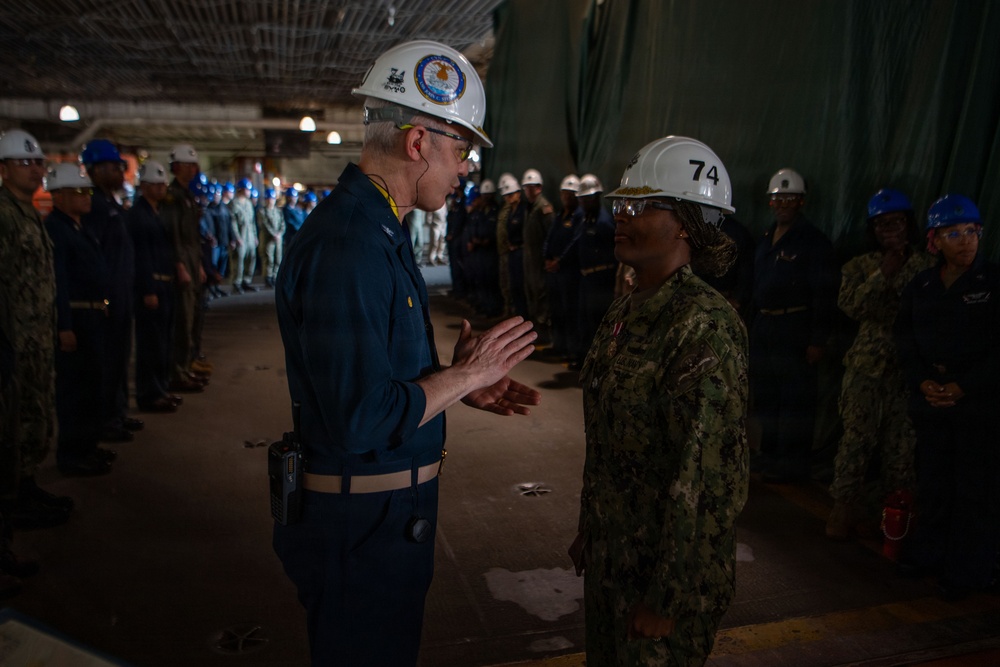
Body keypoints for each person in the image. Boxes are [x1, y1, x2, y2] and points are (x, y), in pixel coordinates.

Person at [273, 40, 541, 667]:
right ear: (418, 144)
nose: (465, 168)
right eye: (462, 149)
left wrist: (455, 382)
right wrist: (465, 373)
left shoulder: (379, 232)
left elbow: (376, 382)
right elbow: (359, 418)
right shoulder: (350, 247)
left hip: (382, 516)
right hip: (360, 525)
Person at [570, 136, 748, 666]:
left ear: (689, 223)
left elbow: (707, 476)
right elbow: (606, 440)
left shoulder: (703, 324)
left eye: (642, 206)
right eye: (622, 205)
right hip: (615, 560)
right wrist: (591, 528)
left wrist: (669, 596)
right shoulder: (627, 309)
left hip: (662, 580)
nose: (622, 216)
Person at [894, 194, 1000, 600]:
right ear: (935, 240)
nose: (965, 241)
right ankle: (927, 555)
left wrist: (964, 386)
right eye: (954, 234)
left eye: (971, 232)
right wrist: (923, 382)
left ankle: (967, 571)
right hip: (931, 400)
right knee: (934, 483)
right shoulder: (921, 285)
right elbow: (905, 340)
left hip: (978, 405)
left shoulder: (993, 283)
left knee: (974, 491)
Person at [826, 189, 934, 539]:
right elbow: (853, 307)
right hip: (866, 368)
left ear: (909, 226)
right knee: (856, 441)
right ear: (872, 229)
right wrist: (882, 274)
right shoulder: (858, 266)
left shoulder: (926, 267)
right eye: (882, 224)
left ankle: (897, 518)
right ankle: (843, 510)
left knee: (901, 447)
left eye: (897, 223)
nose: (891, 230)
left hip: (908, 371)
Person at [0, 130, 73, 528]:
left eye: (38, 163)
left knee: (36, 414)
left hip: (35, 338)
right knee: (14, 425)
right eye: (24, 163)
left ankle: (27, 487)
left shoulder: (27, 212)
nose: (34, 170)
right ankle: (13, 500)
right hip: (14, 339)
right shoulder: (4, 214)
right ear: (3, 170)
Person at [749, 168, 838, 483]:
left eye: (790, 198)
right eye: (777, 199)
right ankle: (769, 456)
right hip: (766, 326)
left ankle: (792, 463)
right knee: (768, 395)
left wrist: (817, 339)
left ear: (801, 202)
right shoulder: (765, 238)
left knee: (794, 400)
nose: (783, 204)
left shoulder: (814, 242)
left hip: (795, 327)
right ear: (771, 203)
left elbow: (824, 294)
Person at [45, 163, 116, 475]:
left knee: (91, 385)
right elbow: (57, 280)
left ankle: (88, 446)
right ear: (59, 195)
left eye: (88, 191)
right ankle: (72, 455)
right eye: (79, 192)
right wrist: (65, 326)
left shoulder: (79, 226)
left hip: (92, 315)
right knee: (74, 390)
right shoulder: (57, 229)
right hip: (75, 316)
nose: (87, 197)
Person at [80, 139, 141, 444]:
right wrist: (103, 297)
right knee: (107, 362)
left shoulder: (112, 203)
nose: (120, 172)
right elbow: (94, 258)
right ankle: (106, 419)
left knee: (120, 359)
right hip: (108, 299)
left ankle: (117, 412)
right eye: (114, 167)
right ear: (95, 170)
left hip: (122, 294)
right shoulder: (93, 206)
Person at [129, 161, 180, 414]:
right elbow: (141, 256)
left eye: (163, 185)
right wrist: (148, 289)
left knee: (163, 342)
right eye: (157, 185)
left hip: (165, 283)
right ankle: (149, 394)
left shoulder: (157, 212)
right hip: (152, 286)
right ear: (145, 186)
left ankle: (160, 388)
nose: (162, 189)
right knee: (151, 344)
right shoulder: (138, 215)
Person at [160, 144, 208, 393]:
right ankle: (178, 371)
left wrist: (197, 264)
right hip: (182, 263)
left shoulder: (186, 196)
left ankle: (187, 365)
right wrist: (180, 265)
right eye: (189, 165)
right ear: (177, 166)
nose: (193, 170)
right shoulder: (173, 197)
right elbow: (174, 235)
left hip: (191, 261)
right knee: (183, 320)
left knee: (192, 319)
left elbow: (192, 237)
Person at [573, 174, 616, 369]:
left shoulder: (604, 223)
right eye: (581, 199)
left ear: (596, 198)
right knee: (583, 320)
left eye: (586, 199)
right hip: (586, 278)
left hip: (600, 279)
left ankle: (596, 363)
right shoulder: (586, 219)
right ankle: (583, 359)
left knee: (595, 323)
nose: (583, 202)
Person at [544, 174, 582, 361]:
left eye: (570, 194)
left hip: (568, 272)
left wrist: (560, 261)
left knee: (569, 312)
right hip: (554, 271)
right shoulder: (560, 215)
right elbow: (550, 238)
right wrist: (547, 257)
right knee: (556, 310)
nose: (566, 198)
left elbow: (574, 243)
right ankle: (558, 345)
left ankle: (572, 350)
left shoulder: (579, 216)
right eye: (564, 194)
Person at [521, 168, 554, 342]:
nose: (528, 191)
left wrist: (547, 257)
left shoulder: (543, 208)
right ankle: (535, 331)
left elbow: (550, 235)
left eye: (531, 187)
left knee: (541, 295)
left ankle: (542, 333)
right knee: (531, 293)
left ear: (539, 188)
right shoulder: (529, 207)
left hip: (539, 259)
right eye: (526, 187)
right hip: (529, 258)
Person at [230, 178, 257, 294]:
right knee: (239, 260)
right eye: (248, 189)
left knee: (251, 258)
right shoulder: (234, 204)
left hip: (250, 235)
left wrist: (255, 236)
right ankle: (237, 282)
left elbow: (252, 222)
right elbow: (233, 222)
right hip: (240, 236)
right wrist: (236, 237)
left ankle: (246, 281)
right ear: (242, 190)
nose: (249, 192)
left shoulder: (249, 203)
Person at [258, 188, 285, 288]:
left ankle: (275, 277)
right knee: (269, 260)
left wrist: (279, 234)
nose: (271, 200)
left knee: (278, 259)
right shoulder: (262, 212)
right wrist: (274, 234)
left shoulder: (278, 211)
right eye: (269, 198)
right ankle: (268, 278)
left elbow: (282, 224)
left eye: (272, 198)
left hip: (277, 240)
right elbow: (265, 225)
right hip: (268, 240)